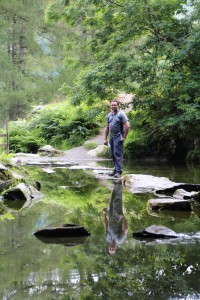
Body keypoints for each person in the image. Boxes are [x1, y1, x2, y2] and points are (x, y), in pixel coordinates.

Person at [104, 100, 130, 178]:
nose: (113, 106)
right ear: (110, 106)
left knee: (118, 154)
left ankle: (119, 172)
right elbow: (107, 127)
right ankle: (115, 170)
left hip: (118, 136)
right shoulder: (109, 115)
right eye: (112, 105)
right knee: (113, 154)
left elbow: (127, 126)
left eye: (115, 105)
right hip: (111, 136)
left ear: (118, 105)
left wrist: (124, 137)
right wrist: (105, 138)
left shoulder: (121, 114)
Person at [102, 180, 128, 255]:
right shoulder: (119, 240)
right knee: (117, 200)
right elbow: (126, 229)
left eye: (110, 249)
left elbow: (106, 226)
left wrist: (104, 214)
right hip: (117, 216)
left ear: (108, 248)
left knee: (112, 199)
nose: (111, 248)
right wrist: (123, 217)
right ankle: (118, 181)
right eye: (113, 249)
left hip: (110, 215)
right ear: (115, 249)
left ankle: (115, 183)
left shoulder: (108, 238)